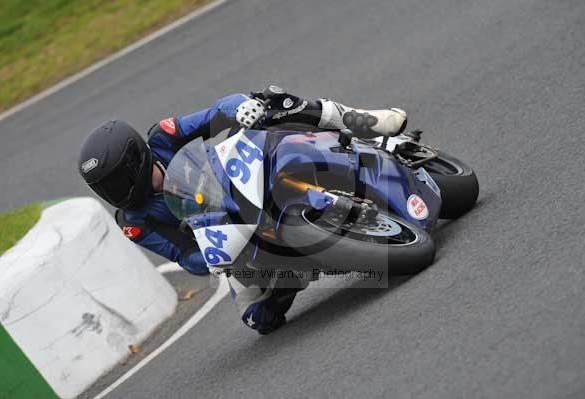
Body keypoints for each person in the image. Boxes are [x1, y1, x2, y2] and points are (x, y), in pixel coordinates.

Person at [78, 85, 407, 334]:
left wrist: (242, 108)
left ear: (136, 158)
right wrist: (207, 254)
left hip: (241, 173)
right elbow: (183, 257)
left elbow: (215, 113)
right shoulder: (133, 222)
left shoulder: (163, 138)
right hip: (232, 237)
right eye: (106, 188)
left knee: (274, 101)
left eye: (117, 180)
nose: (115, 193)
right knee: (259, 319)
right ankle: (301, 264)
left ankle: (360, 122)